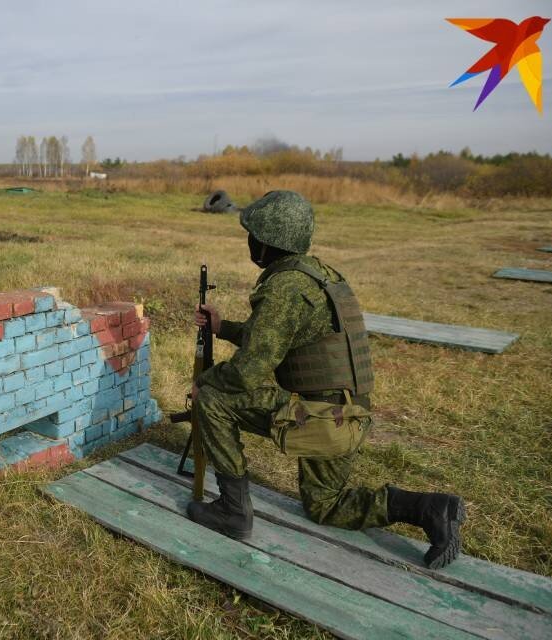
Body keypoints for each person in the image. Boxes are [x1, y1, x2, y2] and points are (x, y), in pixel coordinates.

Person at [188, 190, 466, 569]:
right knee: (327, 506)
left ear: (268, 242)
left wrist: (206, 383)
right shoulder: (318, 275)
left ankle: (232, 512)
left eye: (254, 235)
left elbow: (248, 372)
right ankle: (429, 508)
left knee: (213, 399)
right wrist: (223, 328)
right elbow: (277, 339)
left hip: (321, 416)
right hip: (348, 413)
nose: (250, 242)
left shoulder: (285, 289)